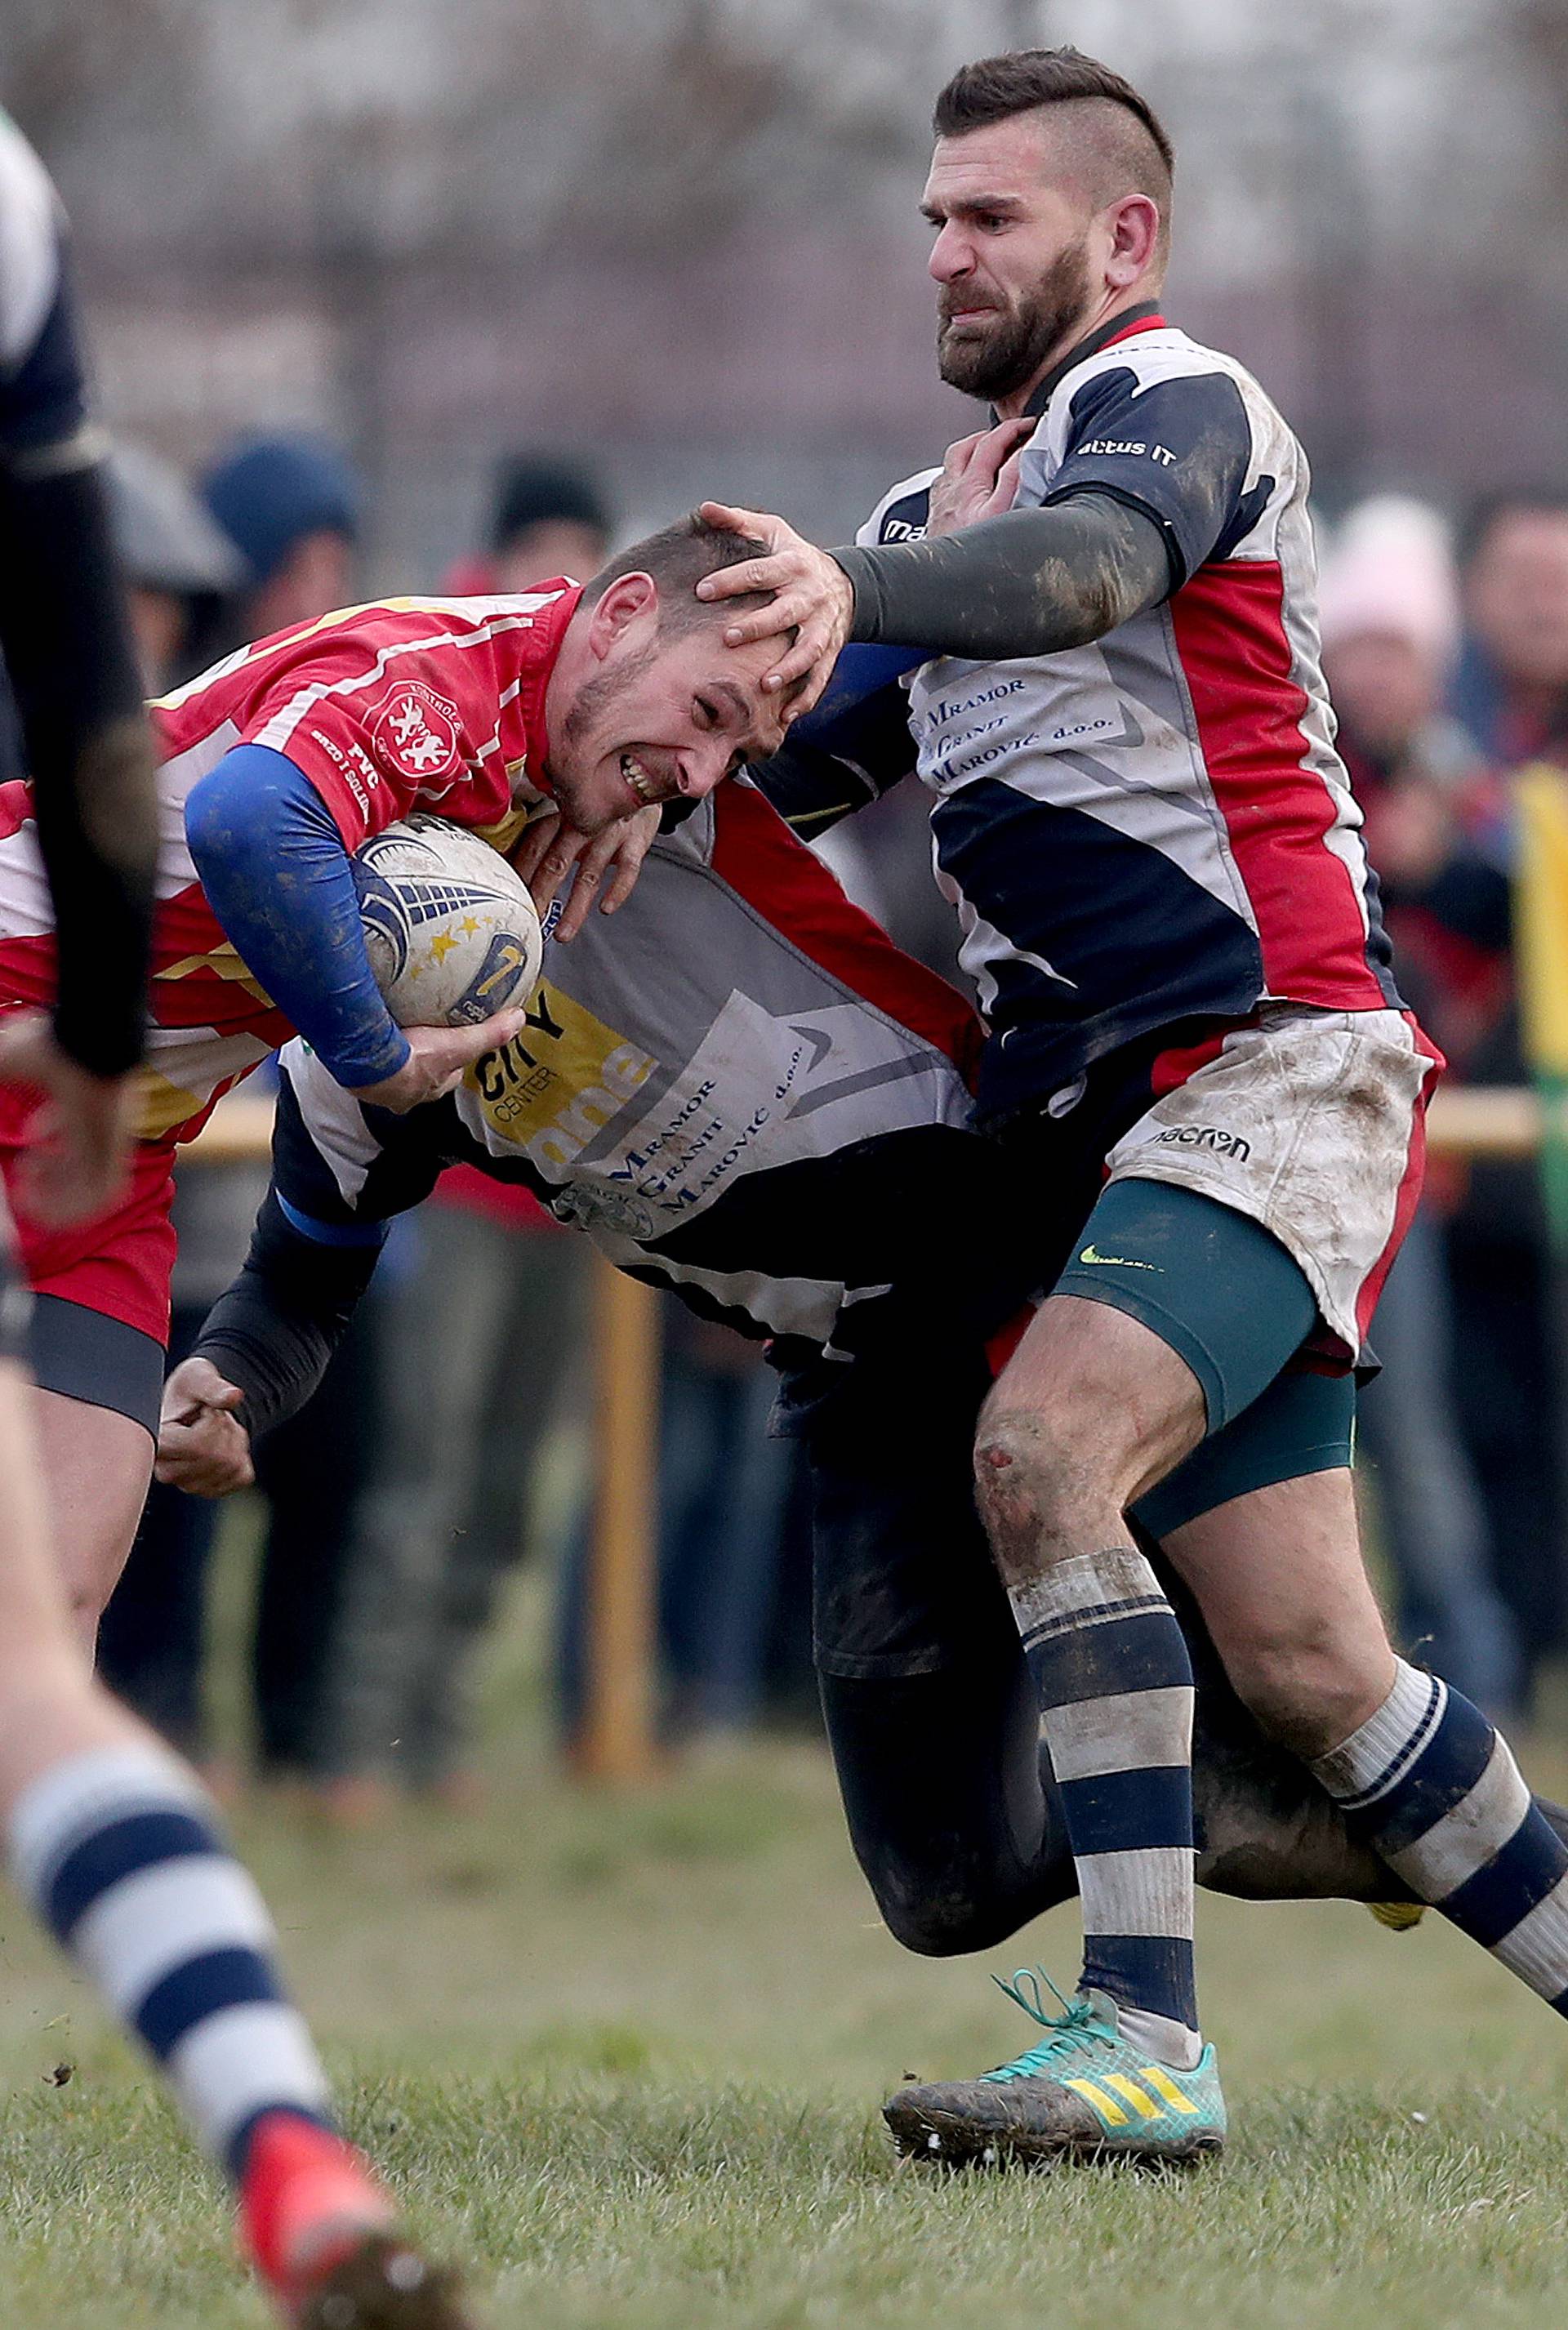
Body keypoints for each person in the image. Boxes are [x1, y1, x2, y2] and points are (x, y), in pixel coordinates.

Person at [684, 45, 1568, 2166]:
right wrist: (553, 742)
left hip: (1272, 1064)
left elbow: (1084, 568)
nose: (947, 251)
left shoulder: (1177, 411)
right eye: (931, 217)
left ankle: (1143, 2040)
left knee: (1042, 1445)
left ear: (1124, 232)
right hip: (1108, 1131)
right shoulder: (919, 523)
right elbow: (786, 778)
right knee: (1324, 1670)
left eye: (990, 214)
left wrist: (854, 589)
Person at [155, 777, 1555, 1987]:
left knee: (1308, 1657)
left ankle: (1184, 1982)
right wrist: (225, 1379)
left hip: (1041, 1261)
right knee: (944, 1890)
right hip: (869, 1377)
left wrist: (860, 590)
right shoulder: (360, 1085)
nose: (424, 1048)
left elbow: (863, 698)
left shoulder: (641, 838)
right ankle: (1348, 1809)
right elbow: (297, 1280)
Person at [0, 109, 470, 2328]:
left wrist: (102, 1076)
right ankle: (277, 2135)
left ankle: (291, 2160)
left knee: (43, 1640)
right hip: (72, 1089)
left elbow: (113, 733)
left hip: (74, 1152)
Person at [312, 458, 613, 1817]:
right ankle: (358, 1748)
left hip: (563, 1182)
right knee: (420, 1469)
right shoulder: (449, 699)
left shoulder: (627, 730)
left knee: (504, 1488)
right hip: (445, 1181)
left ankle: (435, 1743)